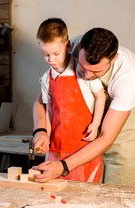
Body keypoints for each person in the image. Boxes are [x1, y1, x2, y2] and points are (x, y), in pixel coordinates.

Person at [33, 27, 135, 188]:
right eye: (82, 67)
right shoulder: (69, 47)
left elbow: (106, 138)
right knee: (83, 191)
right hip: (85, 127)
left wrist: (63, 167)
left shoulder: (129, 74)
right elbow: (41, 100)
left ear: (114, 60)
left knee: (121, 189)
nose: (86, 76)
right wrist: (40, 131)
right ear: (77, 49)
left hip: (122, 124)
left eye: (95, 71)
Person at [33, 18, 106, 183]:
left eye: (55, 54)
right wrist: (47, 136)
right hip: (57, 148)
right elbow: (50, 111)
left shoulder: (82, 70)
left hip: (83, 147)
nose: (51, 59)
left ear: (67, 45)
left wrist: (95, 125)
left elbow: (100, 95)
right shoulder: (46, 79)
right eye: (45, 55)